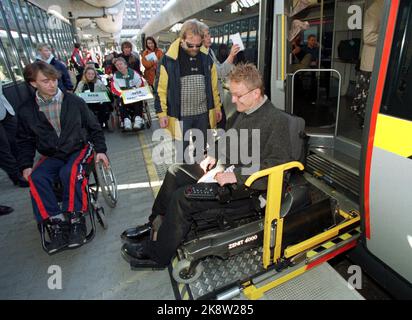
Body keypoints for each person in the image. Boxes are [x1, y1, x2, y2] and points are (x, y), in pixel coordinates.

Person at [121, 63, 292, 268]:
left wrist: (237, 176)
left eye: (238, 95)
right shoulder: (244, 111)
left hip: (248, 188)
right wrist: (213, 154)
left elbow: (278, 165)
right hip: (225, 169)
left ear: (256, 93)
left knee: (183, 196)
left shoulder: (276, 121)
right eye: (232, 94)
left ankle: (158, 255)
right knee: (175, 172)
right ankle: (156, 224)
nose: (233, 100)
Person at [16, 61, 108, 253]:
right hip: (52, 153)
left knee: (71, 172)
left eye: (54, 80)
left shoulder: (74, 101)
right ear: (33, 84)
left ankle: (76, 219)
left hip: (79, 148)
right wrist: (25, 165)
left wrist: (100, 150)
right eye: (45, 81)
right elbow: (24, 140)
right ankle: (56, 222)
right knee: (36, 177)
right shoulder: (27, 110)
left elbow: (94, 127)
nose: (52, 84)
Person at [154, 19, 222, 163]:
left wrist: (217, 107)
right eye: (190, 45)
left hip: (202, 114)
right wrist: (162, 114)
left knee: (201, 152)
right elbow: (160, 90)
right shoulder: (168, 60)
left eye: (198, 45)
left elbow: (213, 87)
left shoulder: (206, 58)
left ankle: (199, 180)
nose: (194, 49)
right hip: (180, 116)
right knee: (182, 154)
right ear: (182, 39)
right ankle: (184, 179)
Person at [350, 0, 384, 128]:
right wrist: (389, 36)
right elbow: (368, 37)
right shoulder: (375, 9)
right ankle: (365, 121)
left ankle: (366, 120)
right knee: (368, 94)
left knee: (369, 94)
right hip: (371, 62)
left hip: (375, 61)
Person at [200, 22, 240, 130]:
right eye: (205, 35)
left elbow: (220, 67)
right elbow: (220, 72)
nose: (209, 37)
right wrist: (231, 55)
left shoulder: (210, 52)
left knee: (220, 127)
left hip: (216, 100)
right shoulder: (201, 55)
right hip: (210, 103)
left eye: (209, 34)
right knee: (218, 129)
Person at [0, 82, 29, 187]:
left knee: (16, 141)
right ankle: (17, 177)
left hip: (5, 110)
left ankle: (24, 169)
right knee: (3, 149)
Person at [111, 57, 145, 130]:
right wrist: (121, 93)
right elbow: (114, 87)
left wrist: (135, 90)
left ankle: (138, 119)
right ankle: (126, 120)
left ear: (125, 65)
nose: (119, 66)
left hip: (134, 93)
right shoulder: (115, 76)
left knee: (139, 98)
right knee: (119, 100)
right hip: (123, 95)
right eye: (117, 65)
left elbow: (140, 83)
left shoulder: (133, 73)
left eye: (120, 64)